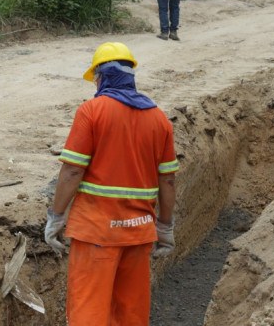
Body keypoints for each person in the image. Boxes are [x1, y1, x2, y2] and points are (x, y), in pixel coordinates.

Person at [44, 42, 179, 325]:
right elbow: (167, 180)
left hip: (96, 233)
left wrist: (56, 216)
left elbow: (71, 172)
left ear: (102, 77)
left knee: (88, 313)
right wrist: (165, 226)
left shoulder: (92, 111)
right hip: (139, 233)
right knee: (131, 314)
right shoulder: (159, 119)